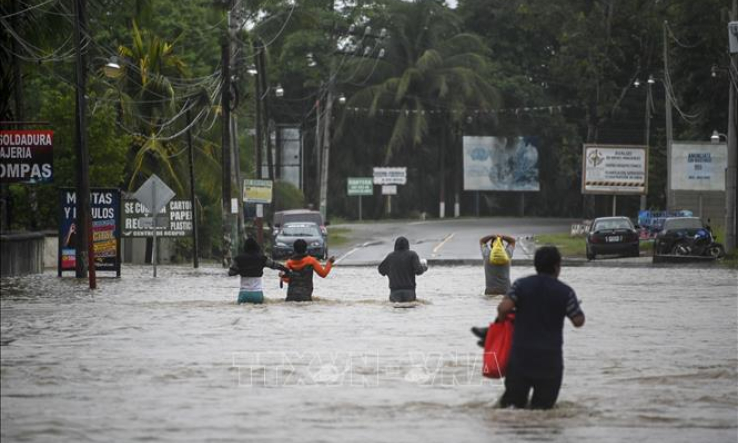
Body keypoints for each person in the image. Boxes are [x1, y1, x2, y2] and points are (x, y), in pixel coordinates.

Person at [495, 246, 585, 409]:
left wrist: (503, 324)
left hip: (520, 359)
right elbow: (578, 321)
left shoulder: (521, 285)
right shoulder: (565, 292)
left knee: (511, 409)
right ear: (557, 266)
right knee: (543, 412)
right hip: (549, 362)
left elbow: (503, 308)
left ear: (536, 265)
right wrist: (572, 307)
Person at [228, 237, 289, 304]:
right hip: (257, 294)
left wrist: (241, 270)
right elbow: (275, 265)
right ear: (256, 247)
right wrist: (286, 269)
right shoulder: (262, 258)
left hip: (244, 294)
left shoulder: (238, 259)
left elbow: (231, 273)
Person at [378, 236, 428, 302]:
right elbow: (418, 271)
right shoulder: (412, 255)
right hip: (409, 292)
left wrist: (390, 272)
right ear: (407, 245)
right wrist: (424, 267)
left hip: (394, 293)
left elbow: (381, 270)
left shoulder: (390, 256)